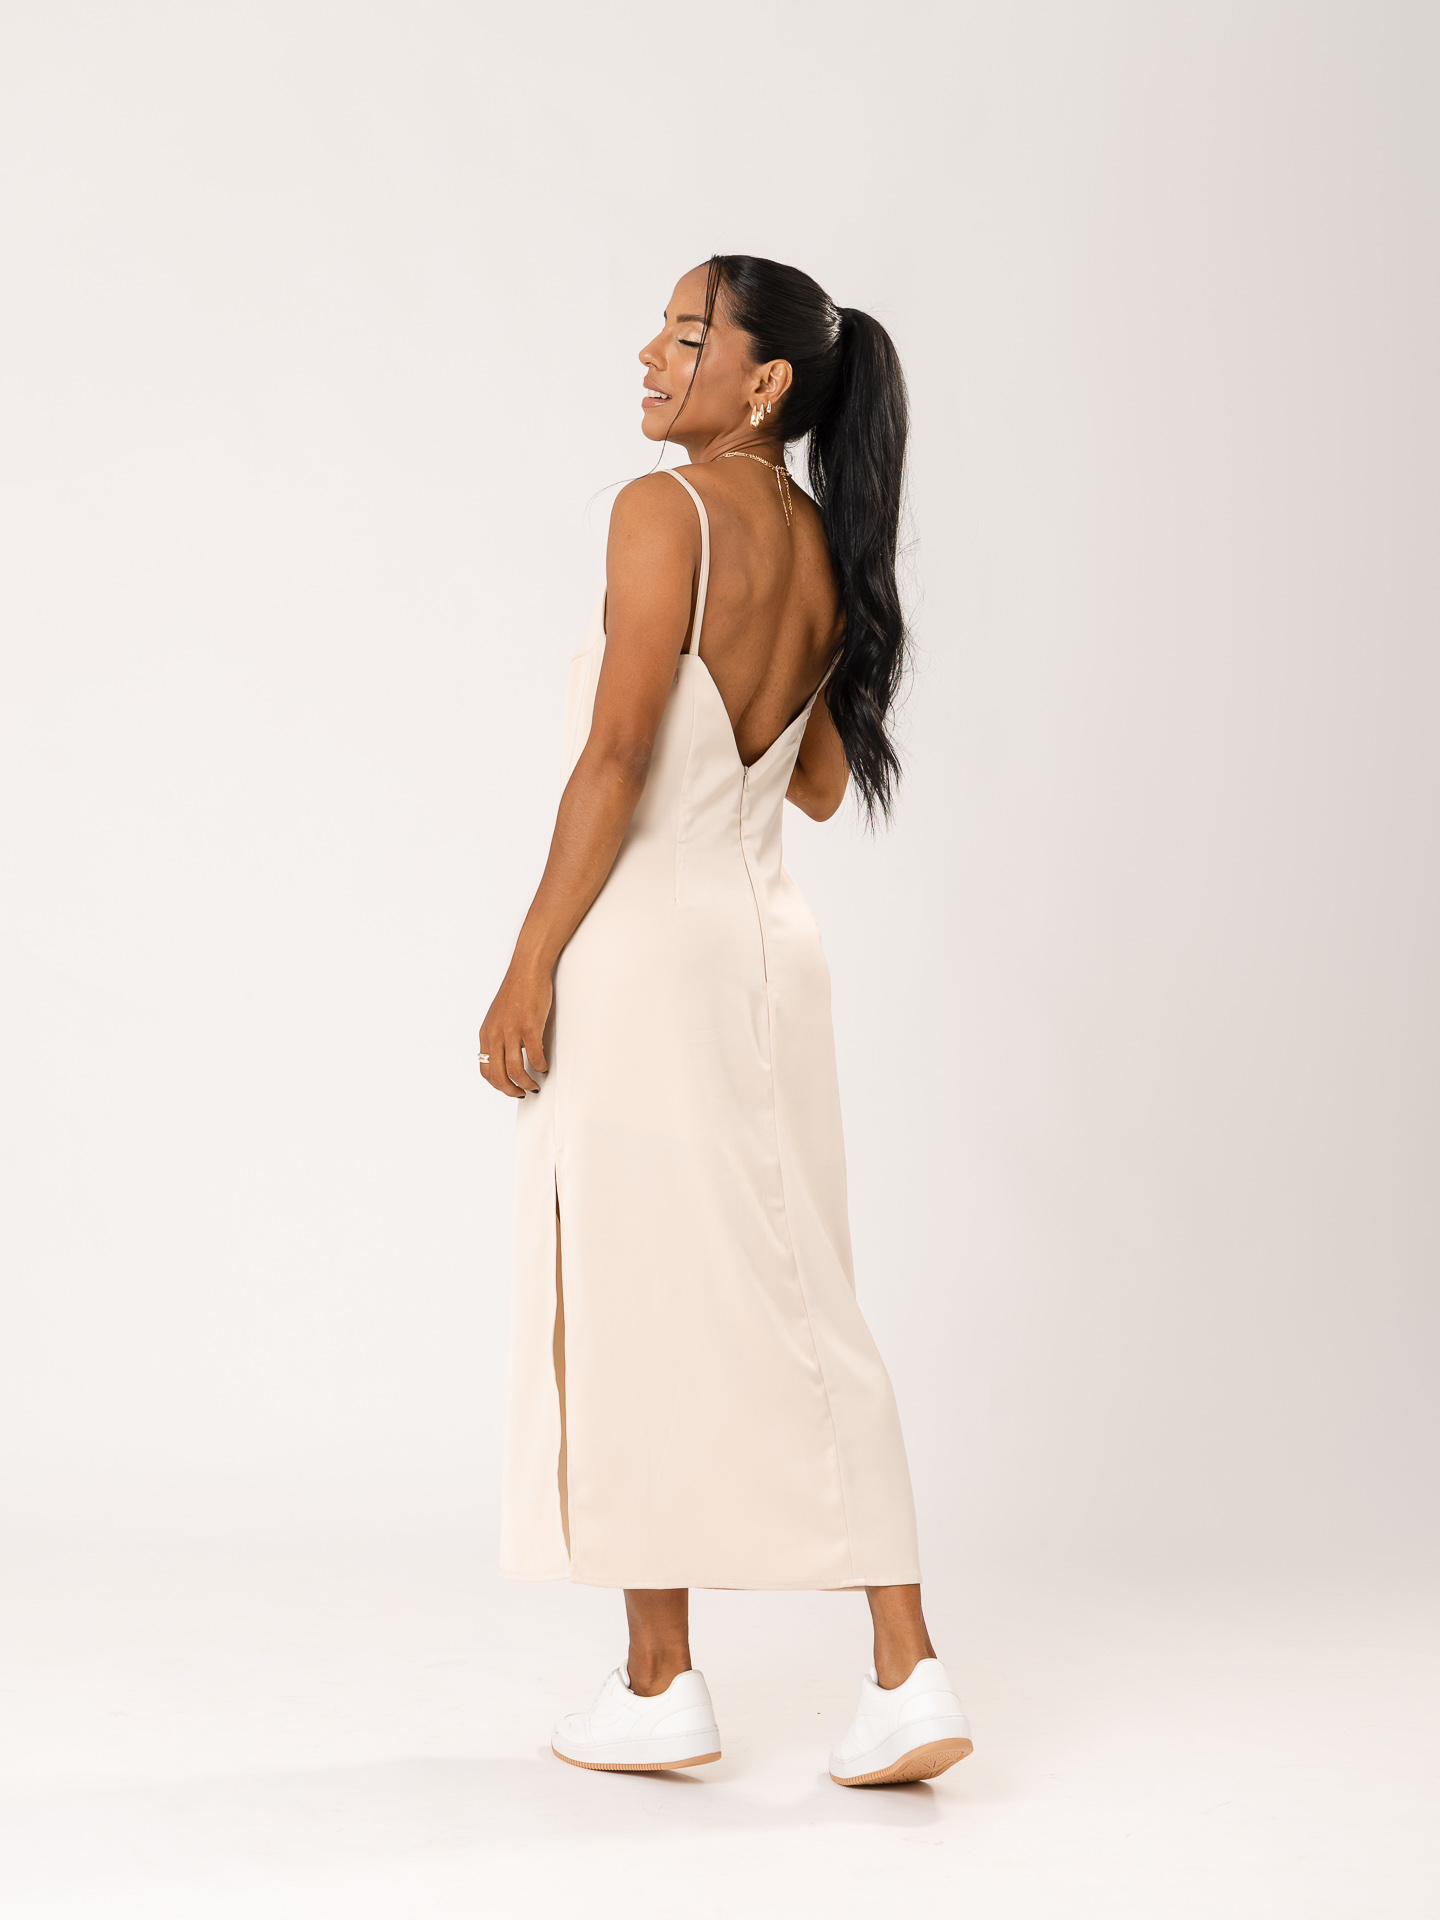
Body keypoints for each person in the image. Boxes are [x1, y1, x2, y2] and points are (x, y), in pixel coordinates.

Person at [478, 255, 972, 1786]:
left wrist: (528, 961)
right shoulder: (823, 544)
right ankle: (899, 1668)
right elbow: (812, 784)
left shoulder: (664, 514)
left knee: (630, 1292)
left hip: (650, 953)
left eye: (686, 334)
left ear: (763, 385)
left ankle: (663, 1678)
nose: (650, 350)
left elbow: (620, 755)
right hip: (770, 947)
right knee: (805, 1289)